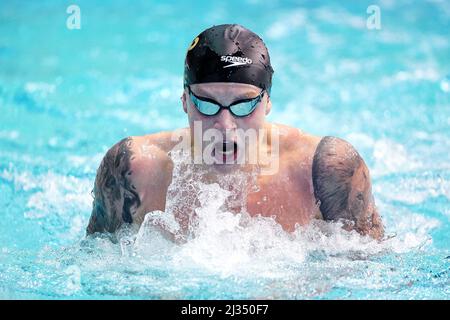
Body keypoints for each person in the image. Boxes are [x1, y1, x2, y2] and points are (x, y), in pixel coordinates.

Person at [86, 24, 384, 241]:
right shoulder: (132, 171)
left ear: (267, 102)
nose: (225, 126)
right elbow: (91, 269)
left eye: (242, 106)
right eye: (206, 104)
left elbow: (377, 274)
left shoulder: (324, 172)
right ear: (184, 101)